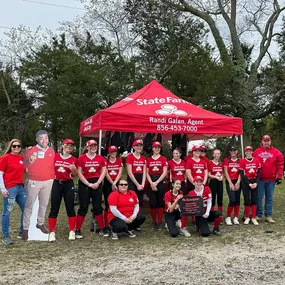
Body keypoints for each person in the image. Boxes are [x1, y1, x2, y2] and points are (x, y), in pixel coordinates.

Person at [22, 130, 55, 240]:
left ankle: (40, 223)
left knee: (44, 204)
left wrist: (52, 176)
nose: (44, 140)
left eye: (46, 138)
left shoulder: (51, 151)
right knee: (29, 205)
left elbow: (51, 165)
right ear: (37, 139)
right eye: (41, 138)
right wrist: (30, 159)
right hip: (34, 181)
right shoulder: (31, 150)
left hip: (47, 182)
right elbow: (24, 165)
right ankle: (25, 228)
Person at [47, 139, 78, 242]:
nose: (69, 146)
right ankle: (52, 232)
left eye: (71, 145)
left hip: (68, 184)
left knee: (70, 207)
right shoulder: (55, 156)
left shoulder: (74, 159)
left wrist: (73, 169)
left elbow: (75, 174)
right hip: (56, 183)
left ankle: (72, 231)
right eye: (67, 144)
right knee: (54, 208)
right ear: (63, 145)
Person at [75, 140, 107, 238]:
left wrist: (98, 182)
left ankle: (102, 228)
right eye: (92, 146)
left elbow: (104, 171)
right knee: (83, 206)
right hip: (85, 183)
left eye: (95, 146)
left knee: (97, 206)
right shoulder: (81, 158)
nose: (94, 147)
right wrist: (88, 184)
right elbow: (79, 173)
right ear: (88, 147)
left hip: (97, 183)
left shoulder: (101, 158)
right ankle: (77, 230)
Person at [0, 139, 26, 245]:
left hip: (20, 187)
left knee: (26, 209)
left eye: (18, 146)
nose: (16, 148)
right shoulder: (5, 158)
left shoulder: (22, 158)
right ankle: (5, 236)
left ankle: (22, 231)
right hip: (10, 188)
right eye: (14, 146)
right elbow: (0, 174)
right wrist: (2, 188)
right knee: (7, 211)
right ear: (11, 147)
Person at [253, 135, 284, 223]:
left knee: (269, 198)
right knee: (259, 197)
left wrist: (279, 177)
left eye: (268, 141)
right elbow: (251, 162)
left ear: (270, 141)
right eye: (265, 141)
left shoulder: (276, 152)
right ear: (262, 142)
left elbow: (280, 165)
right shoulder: (256, 152)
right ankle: (259, 214)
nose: (266, 142)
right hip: (260, 179)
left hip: (271, 179)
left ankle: (268, 215)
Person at [146, 141, 168, 230]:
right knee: (152, 203)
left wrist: (157, 182)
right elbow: (146, 173)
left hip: (160, 181)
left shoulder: (163, 159)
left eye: (158, 148)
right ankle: (154, 222)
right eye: (155, 147)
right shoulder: (149, 159)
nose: (157, 149)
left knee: (160, 202)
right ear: (152, 148)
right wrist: (151, 183)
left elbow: (164, 172)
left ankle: (159, 221)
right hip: (151, 181)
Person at [102, 145, 123, 234]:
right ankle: (106, 224)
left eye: (115, 151)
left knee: (118, 203)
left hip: (117, 183)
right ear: (109, 153)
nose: (114, 153)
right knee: (108, 204)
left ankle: (117, 222)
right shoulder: (105, 161)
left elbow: (120, 172)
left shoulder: (119, 160)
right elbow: (106, 173)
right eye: (112, 152)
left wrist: (115, 183)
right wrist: (112, 183)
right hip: (108, 184)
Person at [240, 146, 261, 225]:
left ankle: (254, 217)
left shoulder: (256, 160)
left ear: (252, 152)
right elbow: (242, 174)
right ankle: (247, 217)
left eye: (250, 151)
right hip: (246, 182)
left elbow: (258, 173)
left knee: (254, 200)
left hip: (254, 181)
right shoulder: (242, 161)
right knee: (246, 200)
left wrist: (256, 183)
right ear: (245, 152)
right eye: (247, 151)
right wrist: (249, 183)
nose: (248, 152)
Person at [126, 139, 146, 214]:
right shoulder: (130, 157)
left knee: (140, 199)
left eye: (140, 146)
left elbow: (144, 172)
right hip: (132, 179)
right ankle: (131, 215)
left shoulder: (143, 157)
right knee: (132, 198)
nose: (139, 148)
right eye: (137, 146)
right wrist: (137, 184)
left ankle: (138, 216)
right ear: (134, 147)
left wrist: (143, 184)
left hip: (140, 178)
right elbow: (129, 172)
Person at [224, 146, 241, 225]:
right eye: (231, 150)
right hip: (229, 181)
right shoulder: (226, 160)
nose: (233, 152)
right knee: (232, 199)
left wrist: (238, 182)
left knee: (237, 200)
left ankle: (236, 217)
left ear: (237, 151)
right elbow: (226, 172)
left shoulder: (240, 160)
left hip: (238, 181)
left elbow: (241, 172)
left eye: (234, 150)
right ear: (229, 152)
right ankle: (228, 217)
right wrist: (230, 183)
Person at [208, 149, 224, 213]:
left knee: (220, 197)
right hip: (213, 182)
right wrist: (215, 177)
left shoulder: (221, 163)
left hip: (220, 182)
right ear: (213, 155)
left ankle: (219, 214)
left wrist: (222, 177)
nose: (217, 155)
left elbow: (222, 172)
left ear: (220, 155)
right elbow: (208, 174)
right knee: (213, 198)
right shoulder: (210, 163)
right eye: (215, 153)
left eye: (218, 153)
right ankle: (212, 214)